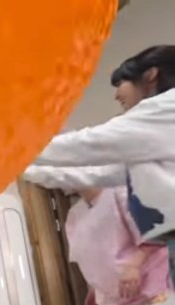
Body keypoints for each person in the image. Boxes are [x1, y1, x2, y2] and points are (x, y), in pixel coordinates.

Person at [24, 45, 175, 253]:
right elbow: (96, 172)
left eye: (120, 83)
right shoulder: (155, 138)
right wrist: (20, 169)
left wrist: (9, 153)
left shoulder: (165, 109)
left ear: (151, 75)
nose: (116, 95)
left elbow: (88, 144)